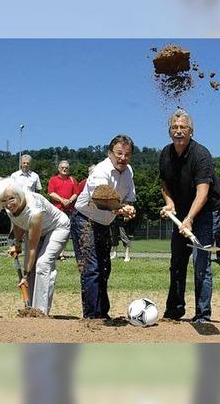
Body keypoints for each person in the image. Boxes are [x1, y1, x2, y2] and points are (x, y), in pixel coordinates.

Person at [159, 108, 220, 323]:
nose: (178, 131)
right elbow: (164, 183)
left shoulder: (200, 154)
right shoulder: (165, 154)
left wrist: (190, 219)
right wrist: (169, 202)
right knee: (177, 262)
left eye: (183, 127)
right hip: (182, 212)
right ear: (169, 131)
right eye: (174, 128)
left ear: (191, 131)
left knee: (201, 262)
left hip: (204, 212)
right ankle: (174, 311)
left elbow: (202, 192)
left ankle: (203, 315)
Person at [70, 135, 136, 319]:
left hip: (104, 223)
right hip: (85, 220)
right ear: (109, 153)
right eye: (119, 153)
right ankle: (92, 316)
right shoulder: (101, 171)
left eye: (127, 154)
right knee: (92, 268)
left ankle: (102, 313)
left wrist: (129, 207)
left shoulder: (128, 171)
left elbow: (129, 196)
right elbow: (101, 199)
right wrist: (121, 209)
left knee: (105, 267)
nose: (122, 158)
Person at [0, 178, 70, 315]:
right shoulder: (9, 208)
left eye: (11, 199)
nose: (8, 204)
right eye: (3, 201)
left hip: (57, 228)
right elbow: (18, 223)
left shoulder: (34, 211)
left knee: (43, 264)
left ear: (18, 195)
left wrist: (25, 276)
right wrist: (18, 244)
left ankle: (40, 312)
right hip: (34, 229)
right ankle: (31, 309)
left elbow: (32, 248)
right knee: (31, 267)